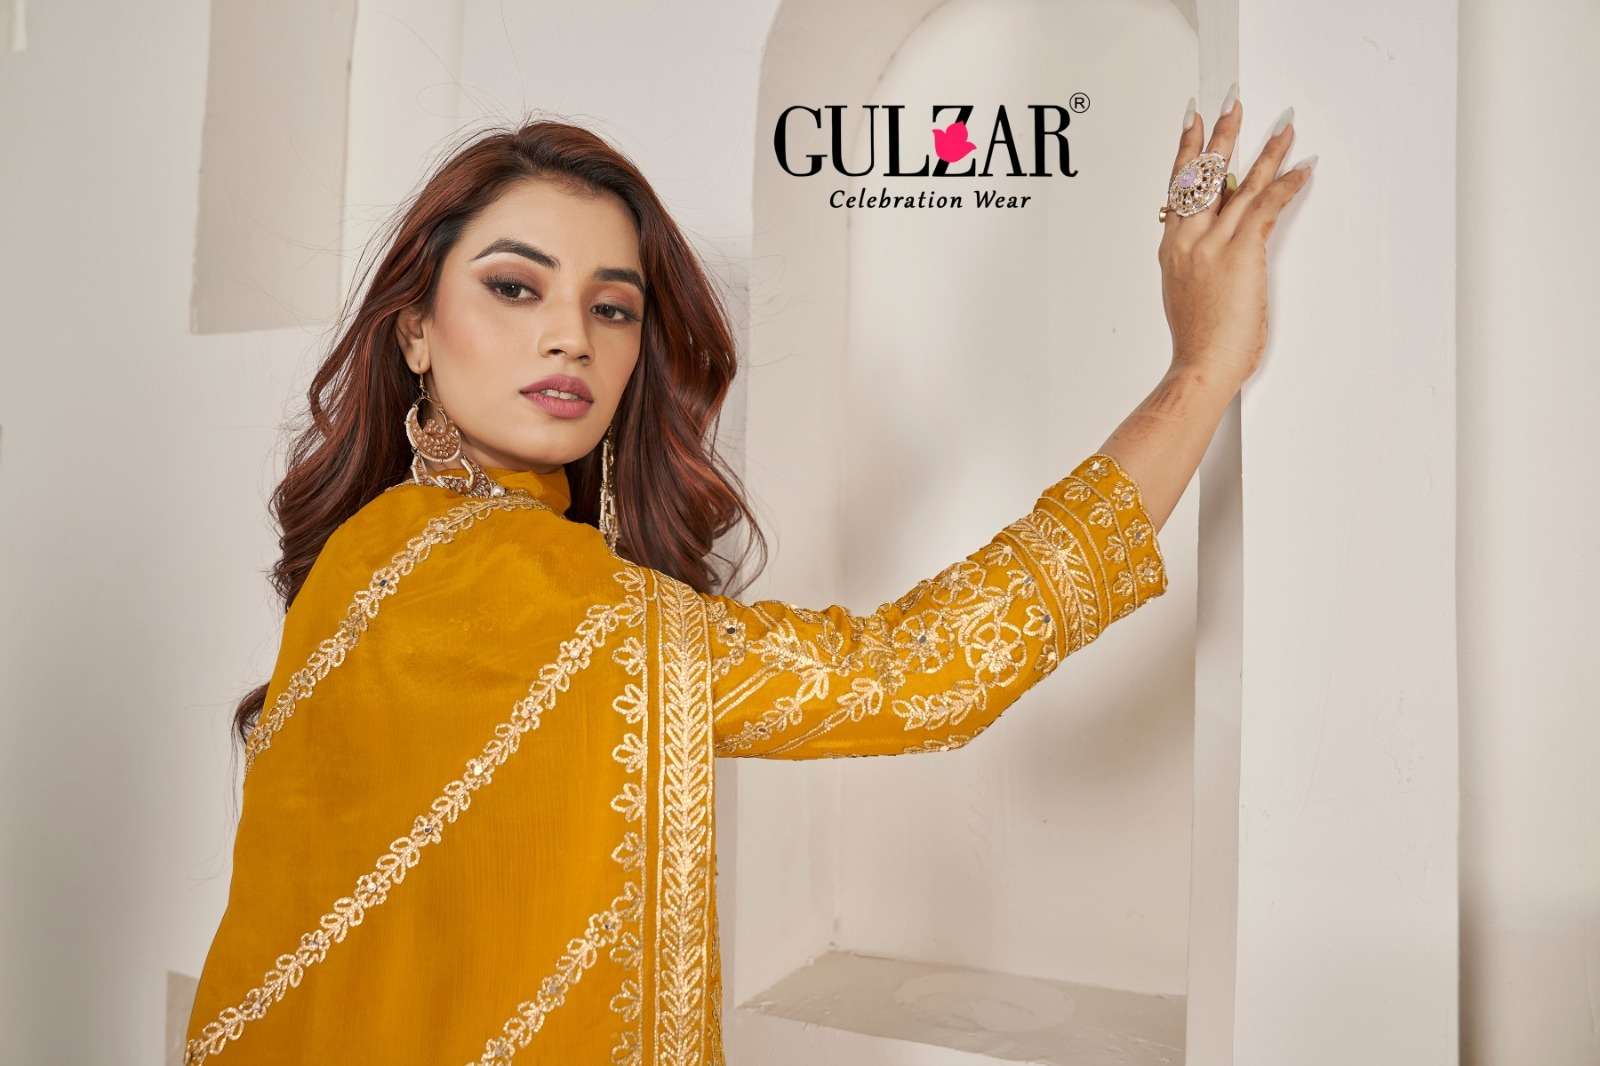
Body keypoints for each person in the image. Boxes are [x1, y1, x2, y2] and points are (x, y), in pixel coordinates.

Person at [184, 88, 1311, 1065]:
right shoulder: (533, 592)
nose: (572, 337)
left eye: (612, 307)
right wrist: (1198, 375)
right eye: (515, 288)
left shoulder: (366, 557)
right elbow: (920, 675)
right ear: (416, 332)